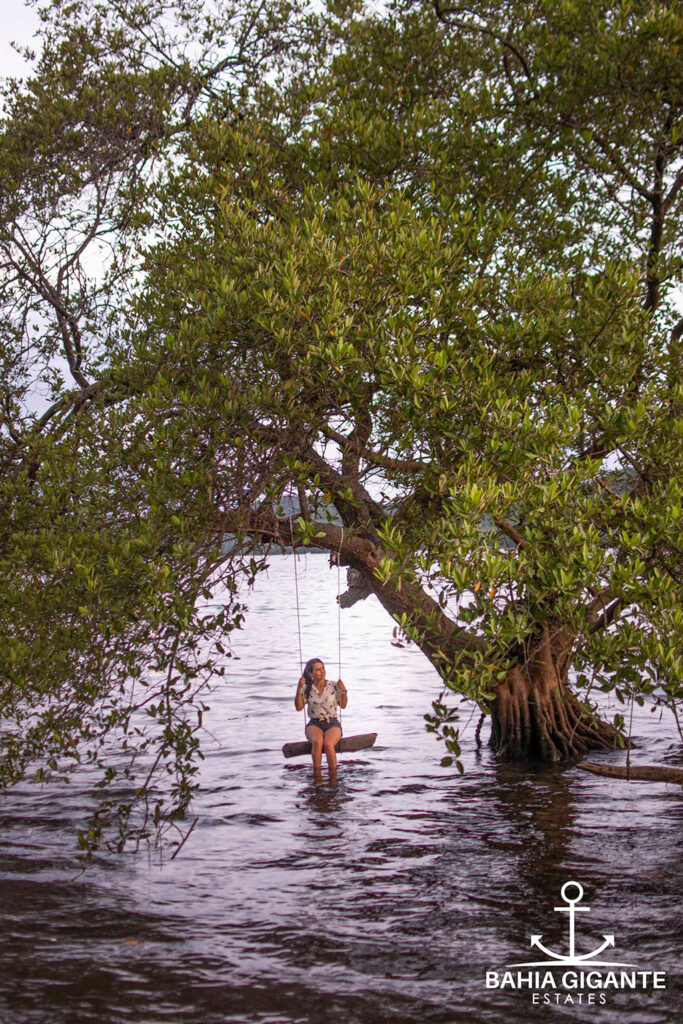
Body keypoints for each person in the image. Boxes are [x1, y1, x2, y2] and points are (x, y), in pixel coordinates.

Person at [294, 658, 348, 780]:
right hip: (314, 723)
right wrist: (298, 689)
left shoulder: (333, 685)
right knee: (318, 742)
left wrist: (344, 691)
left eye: (323, 668)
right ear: (310, 673)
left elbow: (343, 705)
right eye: (318, 670)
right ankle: (317, 776)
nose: (322, 672)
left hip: (332, 722)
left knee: (328, 744)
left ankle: (333, 778)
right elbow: (299, 707)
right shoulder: (306, 688)